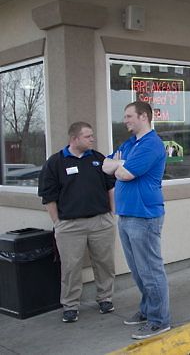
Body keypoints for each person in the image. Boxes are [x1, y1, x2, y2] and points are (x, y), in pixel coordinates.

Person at [103, 101, 171, 339]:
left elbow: (124, 173)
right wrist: (118, 163)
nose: (125, 120)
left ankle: (159, 320)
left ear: (144, 117)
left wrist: (119, 165)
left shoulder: (152, 144)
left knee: (150, 269)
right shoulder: (131, 143)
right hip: (126, 214)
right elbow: (105, 165)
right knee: (137, 270)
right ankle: (147, 310)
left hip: (144, 216)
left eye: (129, 116)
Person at [38, 122, 116, 323]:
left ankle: (105, 298)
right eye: (88, 136)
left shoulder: (98, 159)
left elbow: (111, 188)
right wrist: (58, 223)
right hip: (70, 226)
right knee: (71, 267)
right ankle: (71, 305)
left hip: (101, 222)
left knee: (105, 263)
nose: (92, 139)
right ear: (74, 139)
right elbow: (48, 196)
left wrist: (111, 214)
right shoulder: (55, 163)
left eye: (92, 136)